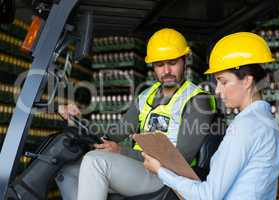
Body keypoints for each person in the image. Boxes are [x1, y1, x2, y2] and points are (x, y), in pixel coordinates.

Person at [57, 28, 218, 200]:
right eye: (159, 65)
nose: (166, 71)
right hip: (140, 167)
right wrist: (77, 119)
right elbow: (113, 134)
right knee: (68, 172)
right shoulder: (145, 96)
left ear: (184, 60)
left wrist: (122, 152)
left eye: (172, 63)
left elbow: (180, 159)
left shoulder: (198, 100)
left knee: (94, 161)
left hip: (167, 176)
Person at [142, 32, 279, 200]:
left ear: (246, 81)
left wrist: (160, 170)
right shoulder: (267, 122)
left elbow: (208, 196)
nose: (217, 90)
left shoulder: (246, 126)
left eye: (223, 82)